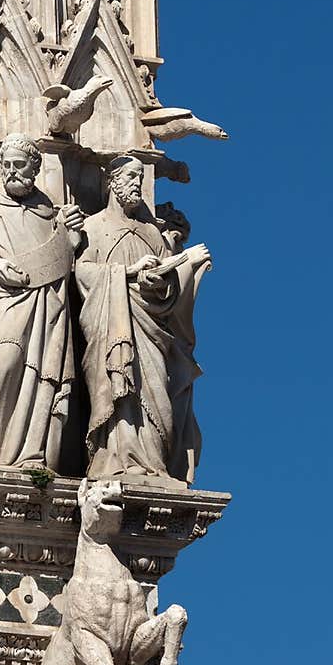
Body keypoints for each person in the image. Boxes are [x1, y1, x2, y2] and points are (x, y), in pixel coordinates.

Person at [75, 155, 212, 484]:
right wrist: (128, 273)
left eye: (140, 177)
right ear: (113, 182)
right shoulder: (93, 228)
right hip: (112, 325)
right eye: (130, 177)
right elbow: (82, 272)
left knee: (156, 398)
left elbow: (171, 288)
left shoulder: (153, 232)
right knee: (118, 388)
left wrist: (169, 275)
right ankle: (115, 460)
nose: (136, 184)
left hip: (151, 330)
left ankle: (153, 464)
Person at [0, 133, 83, 468]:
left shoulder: (48, 210)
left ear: (35, 167)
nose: (12, 171)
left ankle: (33, 454)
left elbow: (62, 261)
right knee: (3, 361)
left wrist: (69, 237)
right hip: (3, 297)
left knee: (43, 375)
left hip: (47, 305)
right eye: (6, 165)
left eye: (19, 165)